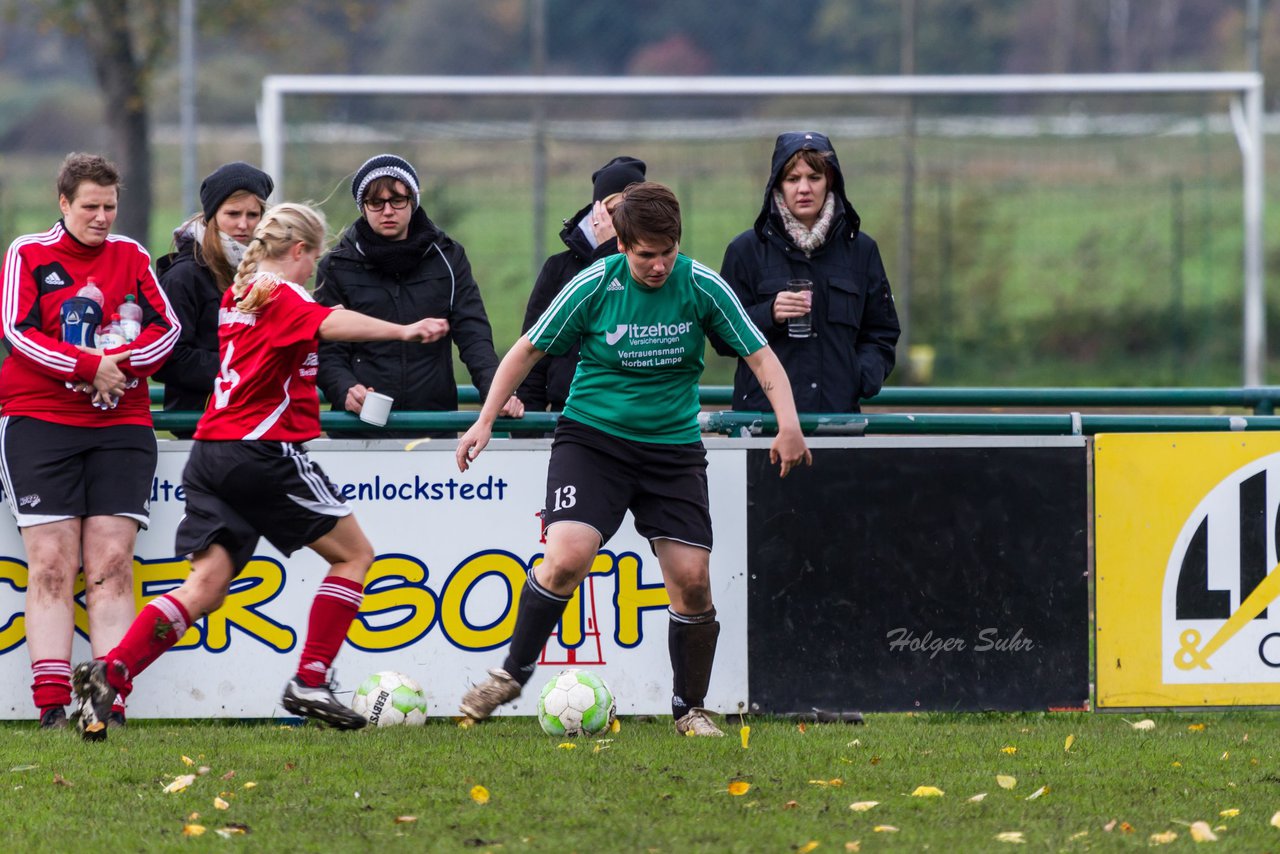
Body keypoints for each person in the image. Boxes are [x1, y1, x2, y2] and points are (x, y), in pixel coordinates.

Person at [70, 203, 450, 740]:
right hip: (259, 450)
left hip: (212, 454)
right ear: (299, 252)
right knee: (356, 555)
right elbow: (330, 321)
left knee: (205, 586)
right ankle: (311, 680)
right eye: (313, 258)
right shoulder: (282, 293)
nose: (313, 271)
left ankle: (112, 673)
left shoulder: (238, 296)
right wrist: (405, 330)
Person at [455, 182, 811, 737]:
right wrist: (484, 420)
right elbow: (526, 349)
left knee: (693, 581)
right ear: (622, 244)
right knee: (567, 557)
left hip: (672, 452)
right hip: (594, 443)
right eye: (645, 254)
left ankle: (689, 708)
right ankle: (510, 674)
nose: (658, 265)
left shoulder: (701, 286)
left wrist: (788, 423)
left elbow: (759, 354)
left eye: (667, 251)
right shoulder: (593, 285)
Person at [0, 152, 180, 729]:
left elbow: (167, 327)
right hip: (40, 421)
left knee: (110, 563)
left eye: (110, 206)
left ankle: (107, 701)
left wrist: (116, 367)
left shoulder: (131, 256)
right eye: (90, 207)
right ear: (63, 203)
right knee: (53, 564)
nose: (102, 217)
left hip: (120, 426)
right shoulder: (28, 253)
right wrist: (86, 366)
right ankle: (52, 705)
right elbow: (16, 331)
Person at [315, 153, 521, 438]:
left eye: (397, 200)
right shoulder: (336, 265)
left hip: (433, 426)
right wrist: (345, 389)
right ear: (362, 207)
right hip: (359, 429)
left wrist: (495, 392)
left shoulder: (448, 256)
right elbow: (327, 350)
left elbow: (473, 334)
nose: (387, 211)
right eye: (376, 202)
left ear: (413, 201)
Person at [716, 131, 900, 412]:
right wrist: (770, 313)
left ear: (830, 181)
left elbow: (881, 332)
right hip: (764, 424)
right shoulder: (746, 250)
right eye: (793, 179)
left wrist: (859, 376)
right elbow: (721, 336)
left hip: (838, 421)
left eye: (814, 177)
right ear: (778, 184)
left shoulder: (862, 250)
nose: (804, 188)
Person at [515, 155, 647, 413]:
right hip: (572, 415)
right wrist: (527, 436)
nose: (624, 221)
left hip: (637, 413)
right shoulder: (559, 269)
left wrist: (612, 252)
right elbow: (534, 353)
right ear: (597, 213)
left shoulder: (658, 268)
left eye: (634, 211)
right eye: (615, 211)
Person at [154, 162, 274, 438]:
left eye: (252, 214)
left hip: (260, 421)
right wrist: (244, 368)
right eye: (233, 213)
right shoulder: (184, 276)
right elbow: (168, 357)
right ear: (211, 216)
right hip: (203, 423)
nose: (243, 224)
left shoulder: (269, 272)